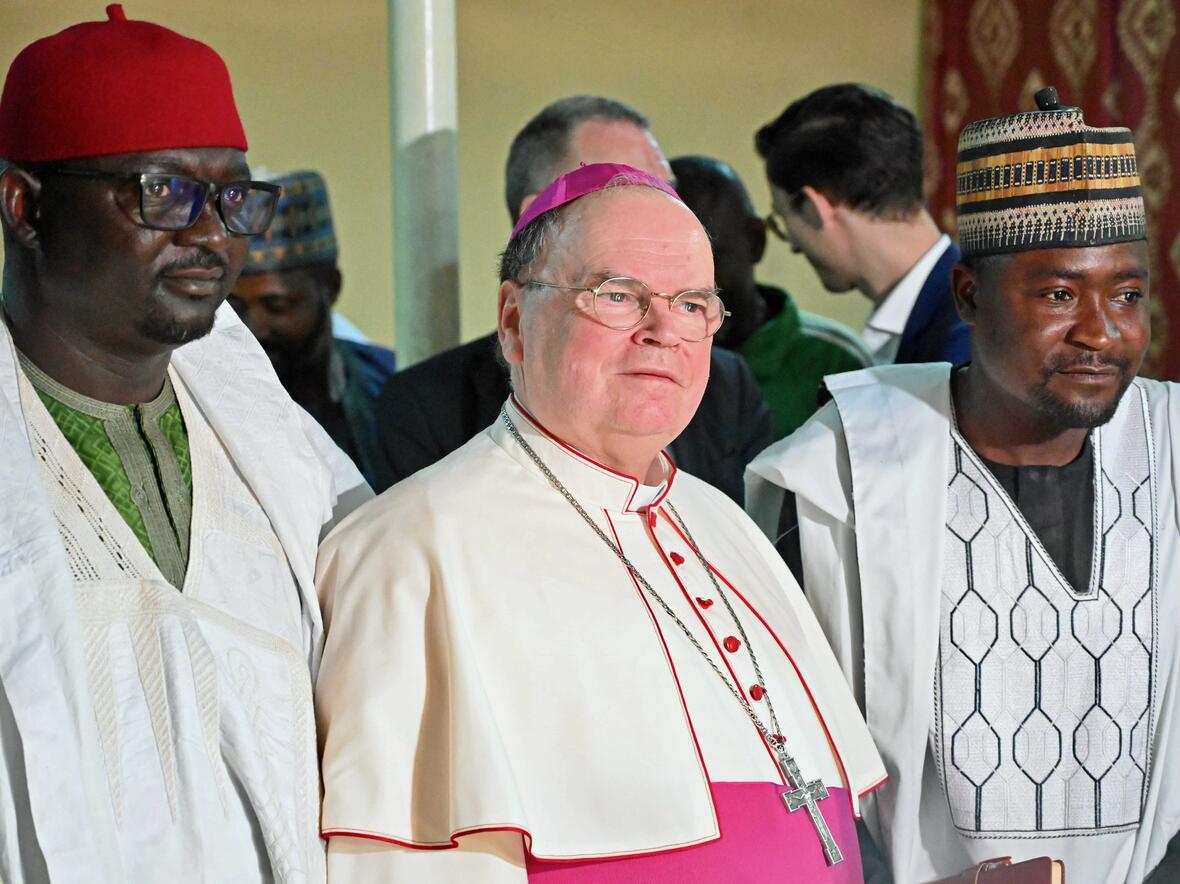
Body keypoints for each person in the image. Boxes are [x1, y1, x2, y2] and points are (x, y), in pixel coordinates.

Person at [315, 163, 886, 882]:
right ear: (515, 322)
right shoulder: (411, 550)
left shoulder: (727, 527)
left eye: (691, 305)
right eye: (617, 296)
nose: (663, 332)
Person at [746, 87, 1180, 883]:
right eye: (1058, 294)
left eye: (1127, 294)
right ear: (969, 297)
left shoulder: (1176, 451)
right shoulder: (840, 473)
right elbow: (780, 758)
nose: (1102, 332)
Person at [0, 7, 368, 881]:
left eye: (234, 197)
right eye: (163, 191)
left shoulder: (276, 451)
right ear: (25, 205)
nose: (212, 234)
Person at [373, 96, 772, 501]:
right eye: (616, 295)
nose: (664, 333)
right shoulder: (427, 415)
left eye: (665, 189)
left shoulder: (726, 395)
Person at [755, 83, 970, 367]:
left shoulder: (964, 337)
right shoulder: (956, 307)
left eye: (783, 221)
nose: (793, 246)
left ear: (814, 207)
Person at [670, 155, 871, 439]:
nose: (690, 286)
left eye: (712, 258)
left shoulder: (838, 363)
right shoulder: (649, 352)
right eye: (670, 262)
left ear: (755, 241)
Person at [230, 170, 396, 485]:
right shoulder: (210, 393)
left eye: (277, 306)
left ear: (331, 288)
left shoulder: (387, 384)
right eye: (236, 307)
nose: (254, 328)